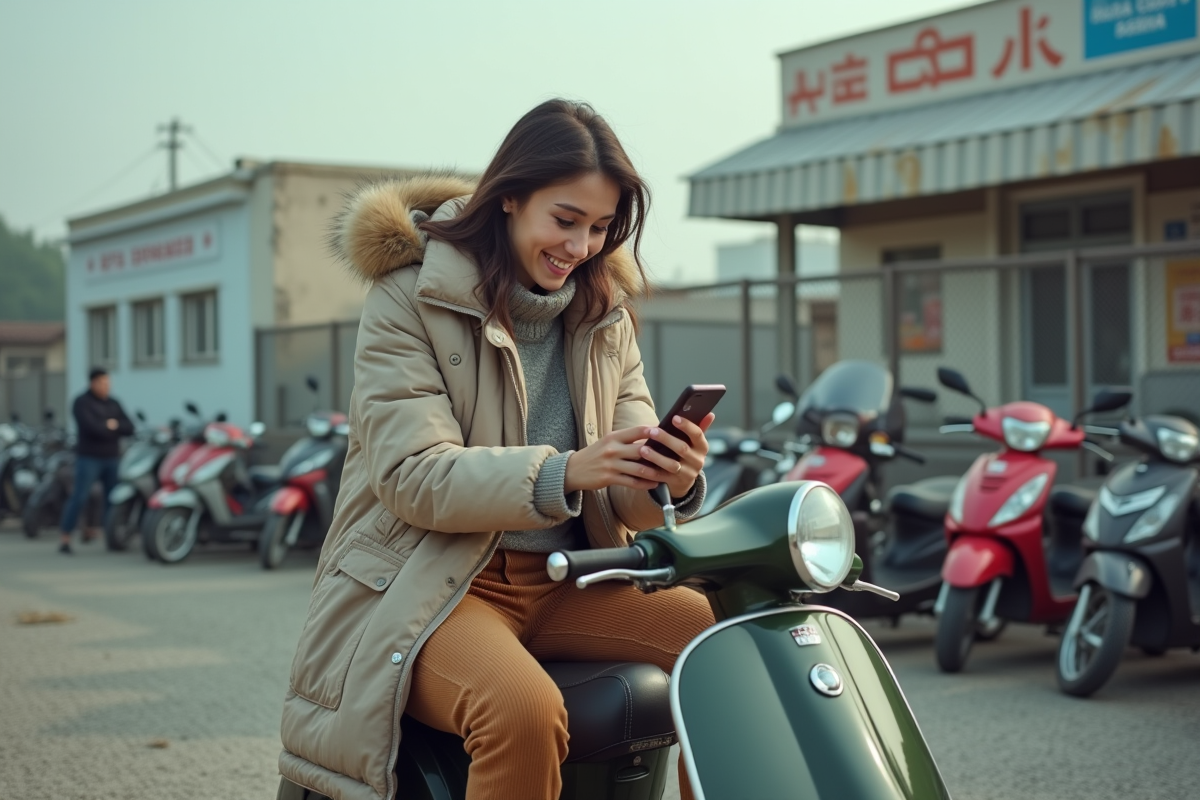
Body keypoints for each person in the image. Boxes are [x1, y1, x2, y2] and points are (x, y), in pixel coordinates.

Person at [278, 100, 716, 800]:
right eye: (565, 220)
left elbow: (626, 499)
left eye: (600, 227)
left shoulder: (605, 314)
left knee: (729, 641)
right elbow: (411, 475)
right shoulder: (409, 297)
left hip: (571, 578)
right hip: (436, 584)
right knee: (522, 711)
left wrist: (671, 477)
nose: (580, 246)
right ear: (510, 196)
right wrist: (565, 471)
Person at [59, 367, 133, 554]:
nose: (106, 386)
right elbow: (92, 428)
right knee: (79, 497)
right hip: (89, 458)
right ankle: (66, 538)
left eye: (108, 383)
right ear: (93, 383)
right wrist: (111, 426)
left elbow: (130, 427)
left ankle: (111, 538)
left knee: (112, 500)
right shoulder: (82, 402)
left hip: (112, 458)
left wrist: (112, 425)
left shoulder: (114, 403)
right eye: (102, 383)